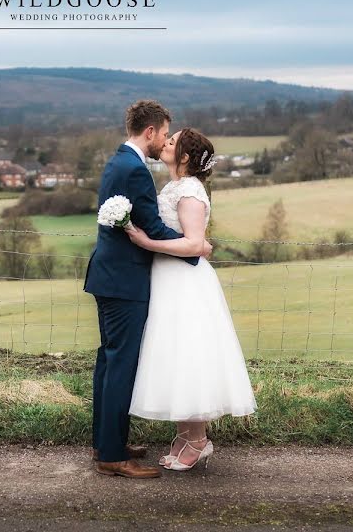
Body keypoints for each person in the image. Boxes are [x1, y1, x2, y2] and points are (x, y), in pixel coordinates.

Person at [83, 100, 212, 479]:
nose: (165, 142)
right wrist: (197, 248)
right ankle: (112, 455)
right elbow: (152, 229)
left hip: (108, 274)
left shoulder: (118, 161)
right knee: (120, 363)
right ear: (151, 132)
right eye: (164, 133)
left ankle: (107, 442)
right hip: (125, 280)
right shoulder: (135, 169)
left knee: (109, 360)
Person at [126, 127, 258, 471]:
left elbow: (193, 244)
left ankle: (197, 440)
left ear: (184, 157)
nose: (165, 144)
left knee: (188, 353)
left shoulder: (190, 190)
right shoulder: (174, 186)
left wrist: (146, 243)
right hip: (169, 279)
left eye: (172, 142)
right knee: (176, 355)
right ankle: (187, 436)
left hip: (184, 282)